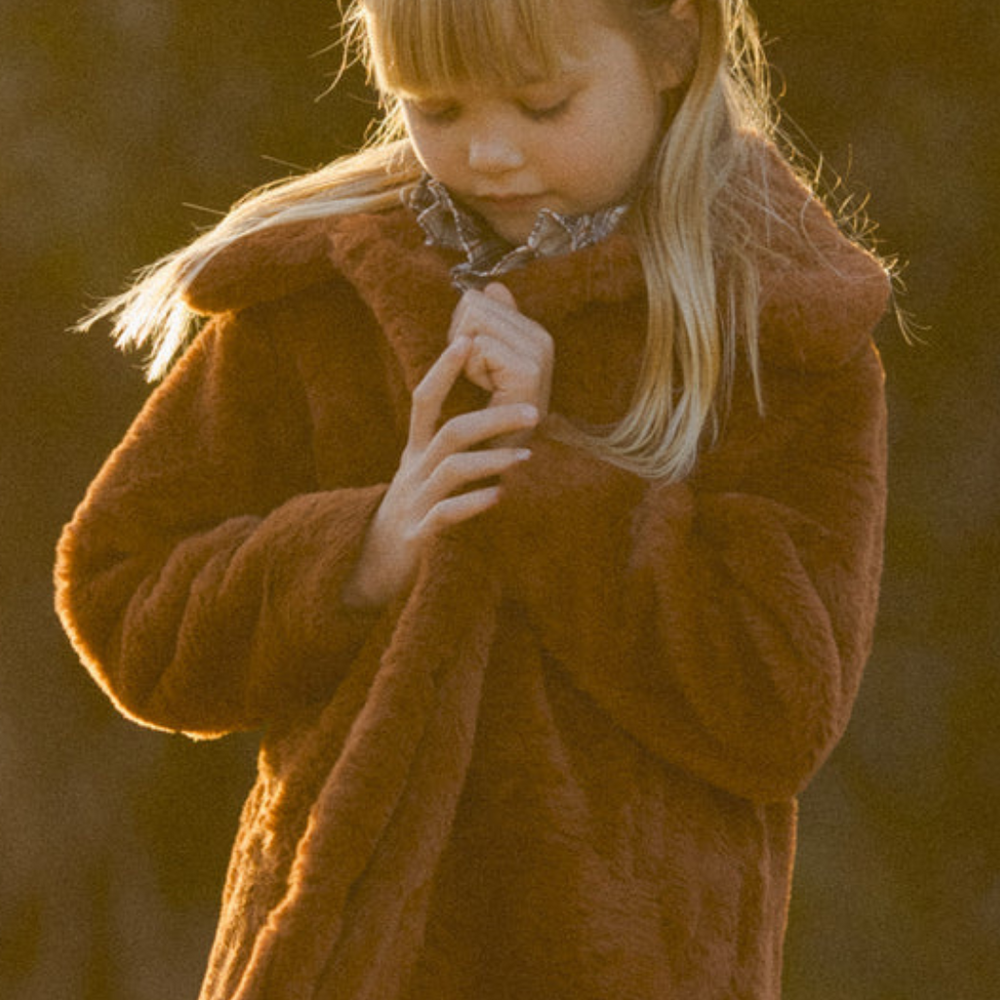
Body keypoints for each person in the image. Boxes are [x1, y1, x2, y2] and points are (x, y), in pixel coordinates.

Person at [54, 0, 893, 996]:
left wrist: (543, 470)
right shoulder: (324, 294)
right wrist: (361, 552)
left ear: (674, 43)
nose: (489, 150)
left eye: (543, 104)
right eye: (436, 106)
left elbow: (779, 700)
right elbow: (119, 591)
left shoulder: (778, 325)